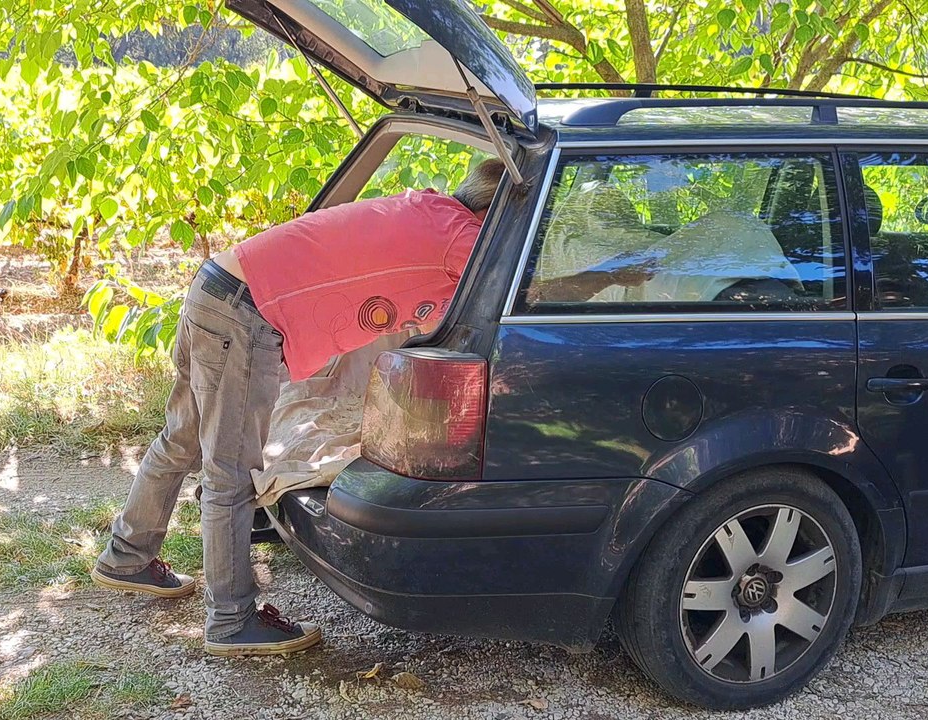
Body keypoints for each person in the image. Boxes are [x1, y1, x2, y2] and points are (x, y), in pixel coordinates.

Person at [89, 158, 649, 657]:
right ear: (498, 220)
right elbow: (534, 295)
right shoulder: (462, 239)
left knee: (182, 438)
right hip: (247, 313)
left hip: (219, 286)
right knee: (231, 471)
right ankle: (232, 620)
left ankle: (127, 557)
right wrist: (613, 276)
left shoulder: (429, 209)